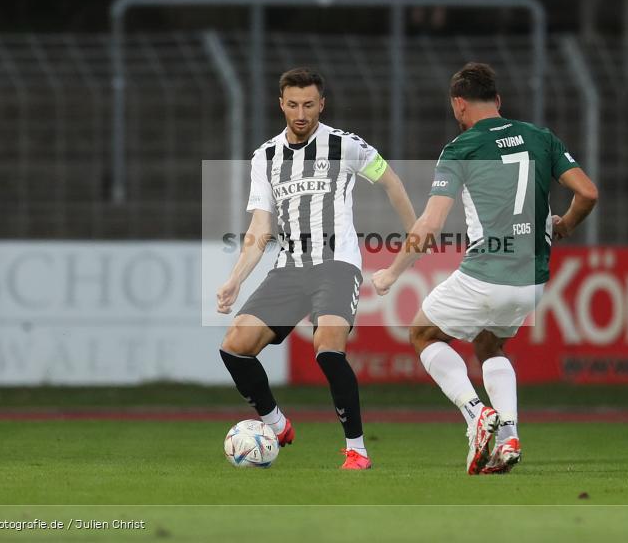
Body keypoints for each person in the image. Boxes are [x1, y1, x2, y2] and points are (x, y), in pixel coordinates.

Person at [371, 62, 598, 474]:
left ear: (459, 104)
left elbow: (430, 225)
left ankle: (475, 413)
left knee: (422, 333)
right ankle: (509, 436)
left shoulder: (462, 148)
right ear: (498, 100)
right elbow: (588, 193)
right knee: (490, 346)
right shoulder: (541, 137)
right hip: (532, 280)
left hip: (486, 273)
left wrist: (391, 272)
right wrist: (565, 224)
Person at [217, 67, 416, 470]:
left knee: (327, 347)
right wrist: (235, 279)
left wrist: (416, 230)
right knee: (235, 346)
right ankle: (276, 423)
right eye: (293, 105)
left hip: (337, 265)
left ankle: (357, 450)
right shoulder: (265, 157)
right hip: (289, 268)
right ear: (281, 104)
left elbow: (391, 181)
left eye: (309, 105)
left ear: (321, 104)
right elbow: (260, 227)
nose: (301, 113)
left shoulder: (346, 145)